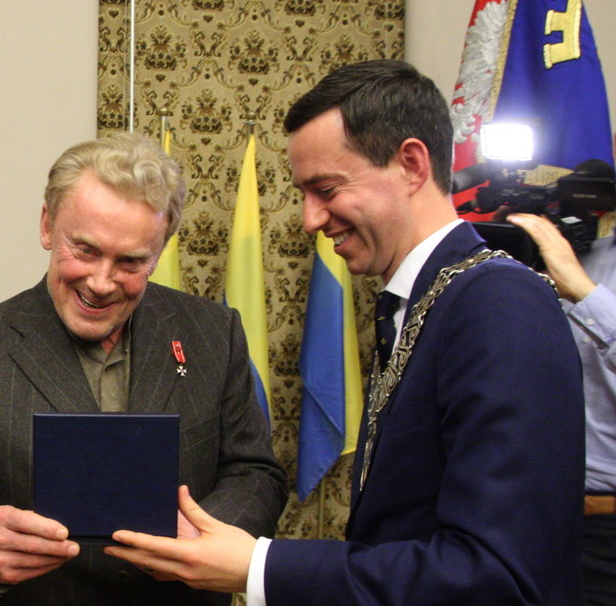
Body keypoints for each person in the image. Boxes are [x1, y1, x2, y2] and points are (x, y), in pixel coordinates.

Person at [105, 59, 585, 605]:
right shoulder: (428, 300)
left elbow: (498, 576)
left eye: (326, 189)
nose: (311, 219)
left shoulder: (500, 305)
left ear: (410, 164)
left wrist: (258, 567)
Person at [0, 131, 287, 606]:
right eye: (84, 250)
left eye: (130, 261)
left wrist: (207, 532)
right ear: (46, 226)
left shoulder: (213, 332)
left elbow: (255, 473)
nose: (101, 282)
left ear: (160, 251)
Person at [508, 158, 616, 606]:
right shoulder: (564, 250)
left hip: (604, 531)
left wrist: (584, 293)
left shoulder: (582, 273)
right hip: (522, 510)